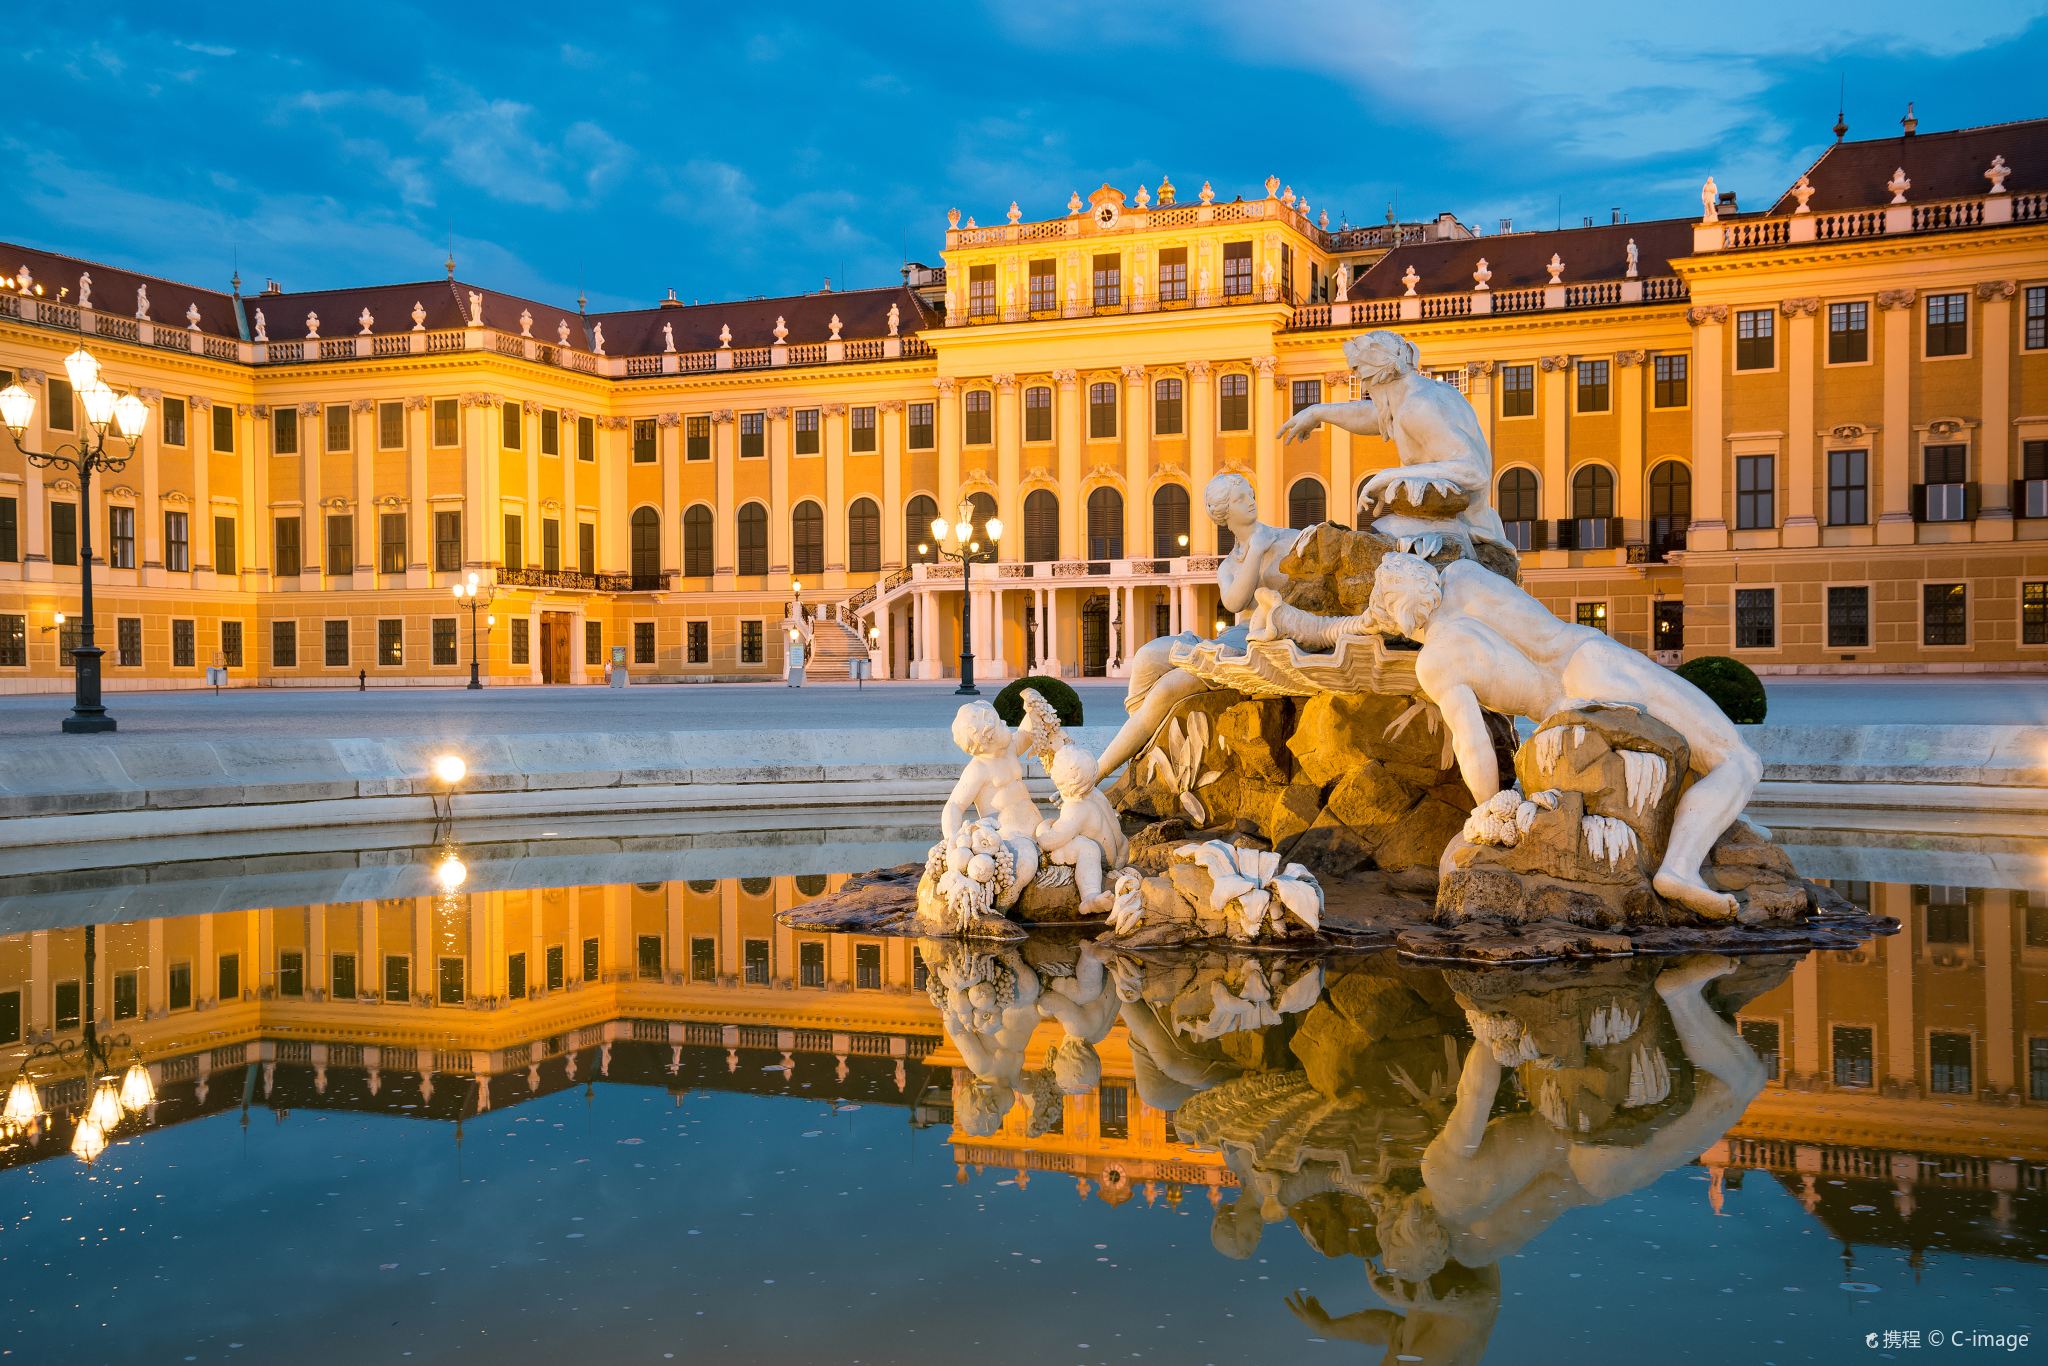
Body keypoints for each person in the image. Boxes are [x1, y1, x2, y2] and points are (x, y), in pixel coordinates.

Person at [1094, 472, 1300, 780]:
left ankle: (1098, 772)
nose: (1251, 501)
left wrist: (1258, 549)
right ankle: (1142, 738)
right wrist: (1254, 551)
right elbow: (1235, 603)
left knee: (1167, 687)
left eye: (1250, 494)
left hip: (1257, 644)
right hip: (1228, 640)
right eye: (1241, 498)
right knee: (1146, 656)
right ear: (1224, 513)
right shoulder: (1228, 565)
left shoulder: (1287, 539)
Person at [1276, 330, 1511, 566]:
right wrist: (1317, 412)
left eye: (1363, 378)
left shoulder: (1417, 407)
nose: (1364, 387)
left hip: (1461, 527)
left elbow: (1474, 471)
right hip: (1453, 520)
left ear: (1379, 377)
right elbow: (1371, 416)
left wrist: (1389, 476)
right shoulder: (1419, 396)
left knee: (1368, 545)